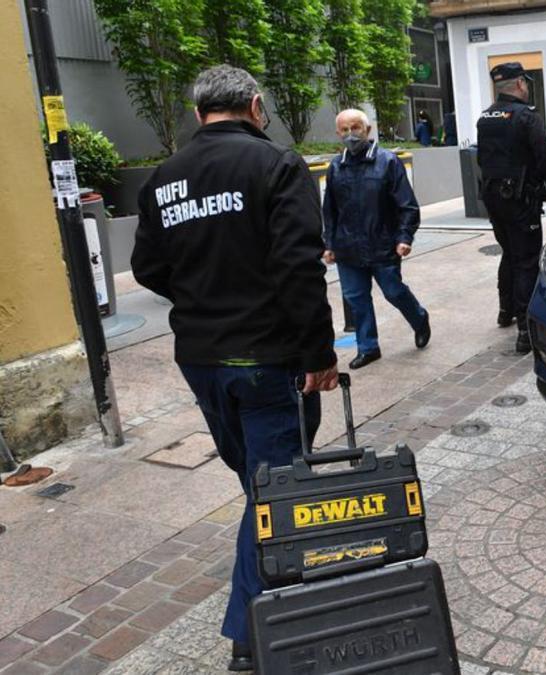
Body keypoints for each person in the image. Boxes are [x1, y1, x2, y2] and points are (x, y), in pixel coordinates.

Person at [131, 64, 338, 672]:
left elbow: (148, 268)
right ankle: (251, 635)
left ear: (198, 114)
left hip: (202, 358)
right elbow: (300, 266)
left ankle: (281, 566)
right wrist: (318, 354)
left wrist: (203, 294)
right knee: (270, 491)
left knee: (257, 481)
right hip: (267, 357)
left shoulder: (164, 178)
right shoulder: (276, 165)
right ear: (254, 106)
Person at [323, 109, 431, 369]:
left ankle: (419, 319)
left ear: (368, 130)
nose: (351, 134)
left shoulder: (388, 162)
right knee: (357, 299)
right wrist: (329, 244)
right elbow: (330, 211)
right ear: (338, 134)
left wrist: (404, 237)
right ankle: (368, 347)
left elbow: (407, 205)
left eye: (356, 128)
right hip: (348, 249)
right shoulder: (336, 167)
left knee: (394, 292)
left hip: (382, 245)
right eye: (345, 130)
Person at [476, 62, 546, 353]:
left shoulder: (485, 118)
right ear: (521, 84)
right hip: (521, 200)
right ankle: (526, 329)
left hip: (493, 199)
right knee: (526, 260)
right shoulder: (527, 116)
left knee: (509, 253)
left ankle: (506, 310)